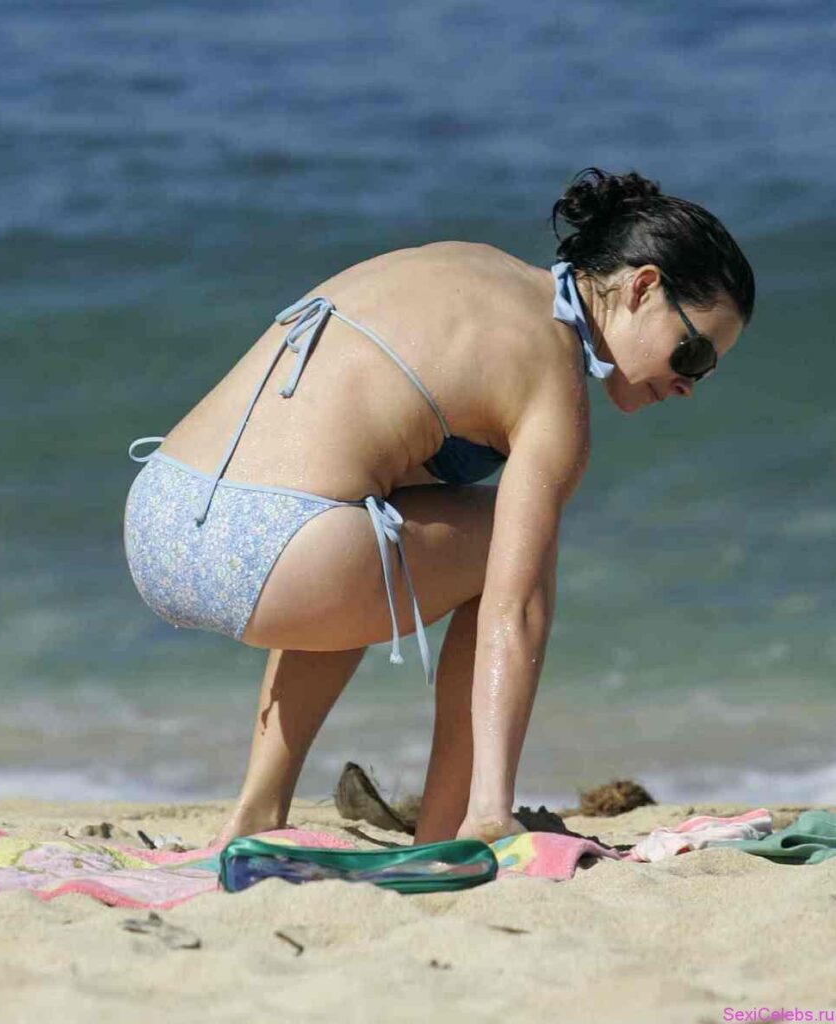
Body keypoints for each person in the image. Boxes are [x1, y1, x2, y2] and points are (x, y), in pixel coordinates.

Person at [122, 167, 754, 848]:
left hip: (159, 513)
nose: (689, 385)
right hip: (270, 554)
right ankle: (459, 824)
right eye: (693, 354)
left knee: (373, 512)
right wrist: (498, 805)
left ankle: (257, 811)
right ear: (642, 287)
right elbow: (517, 607)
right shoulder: (552, 376)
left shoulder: (472, 265)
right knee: (507, 549)